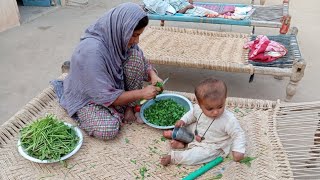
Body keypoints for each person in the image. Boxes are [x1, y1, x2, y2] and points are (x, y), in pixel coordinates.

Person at [60, 3, 163, 140]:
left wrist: (153, 75)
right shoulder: (91, 52)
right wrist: (141, 93)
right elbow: (103, 95)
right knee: (108, 129)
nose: (137, 40)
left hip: (110, 87)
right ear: (123, 29)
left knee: (136, 58)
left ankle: (128, 107)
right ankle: (111, 111)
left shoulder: (118, 37)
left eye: (139, 35)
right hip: (89, 97)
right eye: (134, 35)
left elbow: (142, 61)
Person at [160, 78, 246, 166]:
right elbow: (191, 115)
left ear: (225, 99)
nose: (216, 112)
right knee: (186, 126)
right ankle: (179, 138)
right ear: (200, 104)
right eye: (210, 109)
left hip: (212, 145)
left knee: (195, 156)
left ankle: (174, 157)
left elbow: (238, 134)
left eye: (220, 106)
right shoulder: (197, 109)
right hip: (197, 130)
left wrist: (238, 150)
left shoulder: (228, 120)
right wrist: (183, 120)